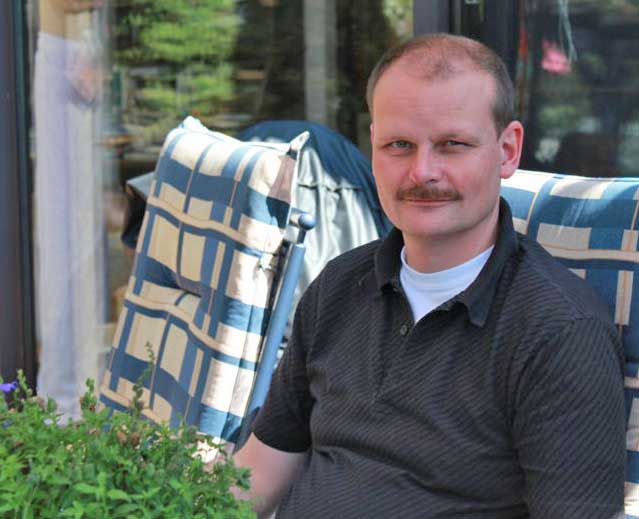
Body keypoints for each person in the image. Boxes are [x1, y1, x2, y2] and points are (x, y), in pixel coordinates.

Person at [233, 33, 625, 519]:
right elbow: (259, 471)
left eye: (452, 145)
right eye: (399, 145)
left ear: (507, 150)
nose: (422, 172)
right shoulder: (338, 285)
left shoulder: (559, 332)